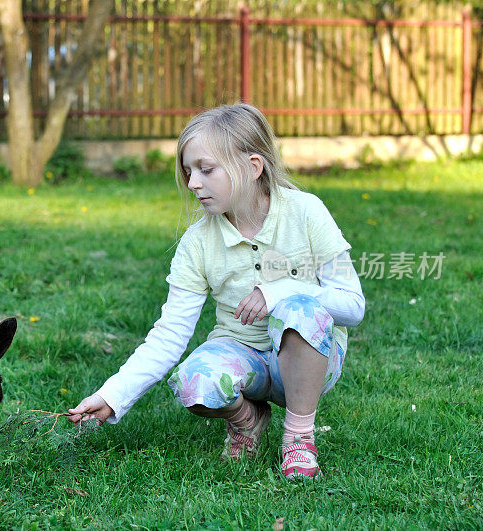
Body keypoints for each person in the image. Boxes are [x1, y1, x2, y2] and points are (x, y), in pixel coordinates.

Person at [67, 103, 365, 480]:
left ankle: (299, 437)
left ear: (253, 167)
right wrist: (113, 395)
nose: (193, 183)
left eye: (206, 170)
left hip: (311, 358)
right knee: (193, 382)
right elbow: (170, 333)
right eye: (189, 171)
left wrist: (280, 291)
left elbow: (353, 305)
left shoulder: (306, 212)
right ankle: (247, 420)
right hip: (244, 356)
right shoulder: (197, 242)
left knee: (301, 309)